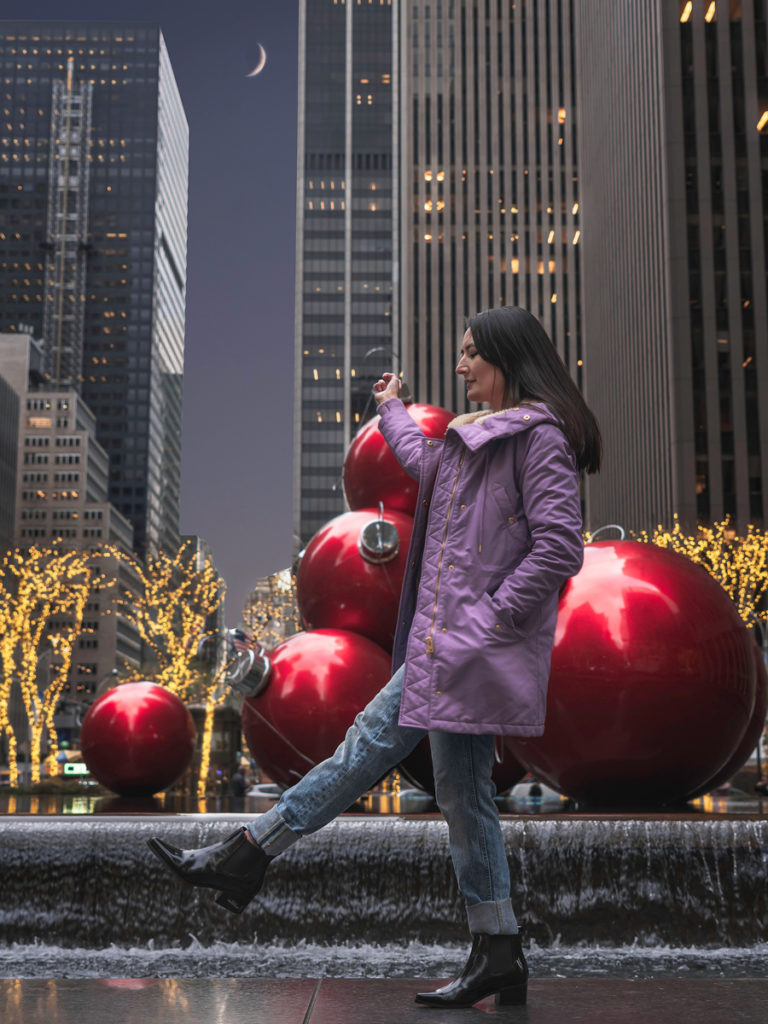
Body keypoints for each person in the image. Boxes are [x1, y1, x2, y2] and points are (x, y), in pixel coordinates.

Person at [148, 306, 602, 1008]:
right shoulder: (468, 440)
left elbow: (559, 545)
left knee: (366, 747)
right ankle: (499, 947)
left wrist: (490, 616)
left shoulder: (537, 439)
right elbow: (424, 463)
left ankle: (248, 852)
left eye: (471, 354)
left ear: (508, 358)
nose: (460, 368)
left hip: (463, 646)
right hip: (444, 641)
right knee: (463, 794)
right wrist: (390, 410)